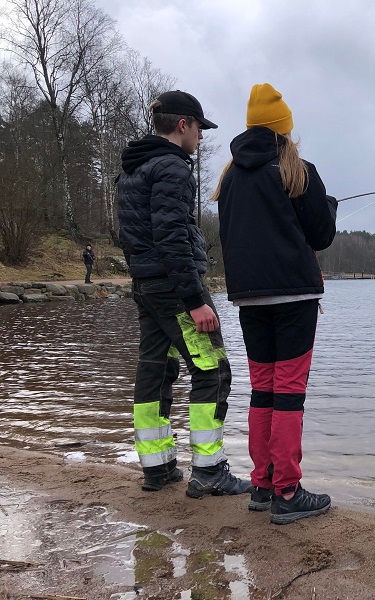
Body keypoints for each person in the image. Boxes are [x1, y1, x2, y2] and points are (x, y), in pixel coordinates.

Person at [213, 83, 338, 524]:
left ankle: (263, 484)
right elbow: (320, 235)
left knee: (263, 389)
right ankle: (287, 490)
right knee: (289, 392)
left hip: (249, 298)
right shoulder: (298, 170)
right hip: (294, 296)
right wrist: (327, 206)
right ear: (285, 130)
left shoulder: (229, 178)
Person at [117, 90, 251, 498]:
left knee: (155, 371)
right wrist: (194, 300)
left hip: (146, 285)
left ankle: (157, 469)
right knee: (213, 370)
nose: (201, 138)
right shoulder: (172, 168)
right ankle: (209, 469)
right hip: (176, 289)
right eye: (199, 129)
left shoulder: (133, 168)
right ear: (183, 126)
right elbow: (171, 236)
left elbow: (136, 234)